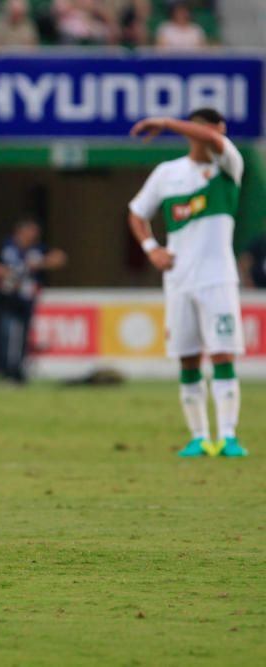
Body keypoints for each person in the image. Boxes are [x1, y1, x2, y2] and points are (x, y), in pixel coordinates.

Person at [128, 108, 247, 458]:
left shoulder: (228, 164)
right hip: (179, 279)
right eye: (208, 128)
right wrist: (152, 249)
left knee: (223, 353)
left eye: (217, 130)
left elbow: (214, 141)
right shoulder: (168, 173)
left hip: (217, 278)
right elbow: (136, 212)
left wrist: (164, 123)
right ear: (190, 132)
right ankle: (199, 437)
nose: (214, 134)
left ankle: (228, 436)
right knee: (187, 357)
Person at [0, 218, 66, 385]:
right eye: (30, 231)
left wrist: (40, 263)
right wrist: (4, 272)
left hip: (27, 301)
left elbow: (60, 258)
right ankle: (7, 372)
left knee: (22, 338)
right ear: (20, 231)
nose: (33, 235)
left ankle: (18, 372)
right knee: (7, 335)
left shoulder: (37, 249)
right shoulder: (6, 246)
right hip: (7, 299)